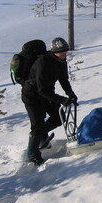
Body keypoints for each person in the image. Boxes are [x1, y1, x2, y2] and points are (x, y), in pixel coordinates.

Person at [22, 37, 77, 165]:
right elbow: (41, 89)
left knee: (58, 118)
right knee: (37, 125)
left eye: (66, 52)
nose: (65, 54)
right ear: (54, 52)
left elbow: (63, 80)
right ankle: (32, 155)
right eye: (62, 52)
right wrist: (62, 100)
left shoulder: (61, 61)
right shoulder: (43, 62)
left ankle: (41, 136)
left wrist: (71, 95)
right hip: (32, 95)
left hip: (46, 94)